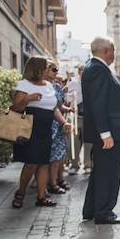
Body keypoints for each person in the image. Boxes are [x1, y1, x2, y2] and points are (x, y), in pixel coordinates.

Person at [82, 36, 120, 225]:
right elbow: (98, 104)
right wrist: (105, 134)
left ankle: (91, 209)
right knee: (109, 173)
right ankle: (104, 212)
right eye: (113, 50)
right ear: (107, 51)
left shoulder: (95, 68)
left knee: (100, 172)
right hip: (110, 134)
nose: (114, 54)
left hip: (109, 132)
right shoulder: (98, 70)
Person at [10, 57, 72, 208]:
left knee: (44, 163)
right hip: (30, 128)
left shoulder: (49, 86)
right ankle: (21, 193)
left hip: (46, 128)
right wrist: (28, 98)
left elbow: (54, 108)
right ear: (37, 69)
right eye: (46, 67)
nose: (48, 69)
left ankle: (41, 196)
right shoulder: (24, 84)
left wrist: (64, 122)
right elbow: (16, 108)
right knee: (31, 164)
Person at [44, 62, 71, 195]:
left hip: (58, 124)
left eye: (57, 69)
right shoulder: (41, 86)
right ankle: (51, 183)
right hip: (47, 124)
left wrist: (69, 108)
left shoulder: (57, 86)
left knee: (60, 154)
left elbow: (59, 106)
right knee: (51, 156)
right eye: (53, 69)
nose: (56, 72)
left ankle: (58, 179)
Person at [66, 66, 92, 174]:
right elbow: (66, 97)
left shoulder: (93, 84)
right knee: (74, 141)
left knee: (89, 142)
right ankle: (74, 164)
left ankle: (88, 165)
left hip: (90, 116)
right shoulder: (73, 84)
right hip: (75, 116)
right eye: (82, 72)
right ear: (79, 73)